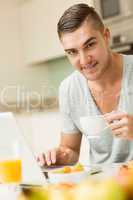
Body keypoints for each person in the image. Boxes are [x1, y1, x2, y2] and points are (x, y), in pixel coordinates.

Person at [37, 3, 133, 167]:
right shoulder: (68, 89)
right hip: (100, 186)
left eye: (89, 45)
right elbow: (70, 149)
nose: (84, 60)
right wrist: (59, 156)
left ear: (106, 36)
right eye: (72, 52)